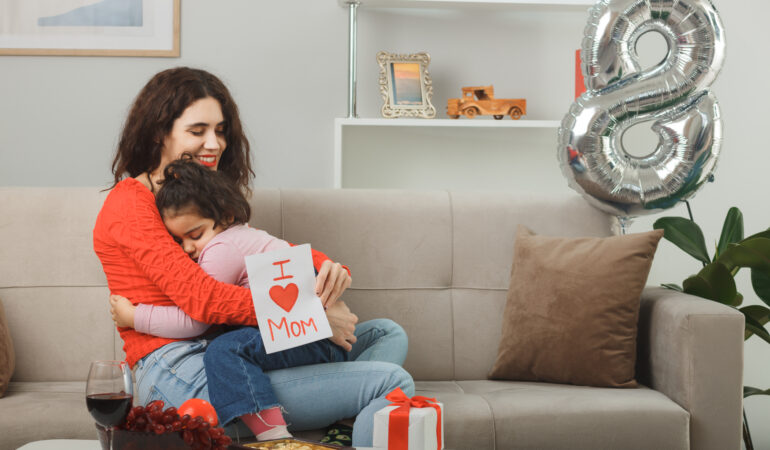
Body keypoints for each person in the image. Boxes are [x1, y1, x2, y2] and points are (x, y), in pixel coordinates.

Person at [92, 67, 414, 447]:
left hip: (233, 351)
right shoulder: (131, 204)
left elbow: (257, 250)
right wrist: (310, 313)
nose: (214, 143)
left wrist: (327, 268)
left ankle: (342, 420)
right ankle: (341, 414)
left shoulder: (198, 197)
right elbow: (203, 299)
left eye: (221, 130)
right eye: (197, 131)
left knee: (383, 333)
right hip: (179, 372)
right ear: (159, 132)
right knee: (393, 382)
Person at [111, 158, 351, 441]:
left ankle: (274, 437)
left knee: (225, 351)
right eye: (180, 241)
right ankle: (342, 415)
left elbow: (196, 320)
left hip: (307, 333)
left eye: (195, 235)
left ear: (224, 217)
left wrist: (135, 317)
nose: (188, 249)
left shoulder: (221, 248)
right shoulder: (242, 234)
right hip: (309, 334)